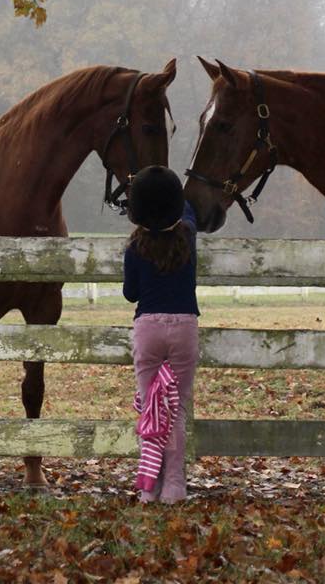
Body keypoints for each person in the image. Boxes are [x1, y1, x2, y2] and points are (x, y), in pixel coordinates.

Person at [123, 165, 199, 504]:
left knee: (150, 410)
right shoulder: (188, 238)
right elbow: (189, 212)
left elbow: (130, 293)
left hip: (148, 329)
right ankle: (175, 486)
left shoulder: (135, 247)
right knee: (176, 409)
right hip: (184, 328)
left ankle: (148, 487)